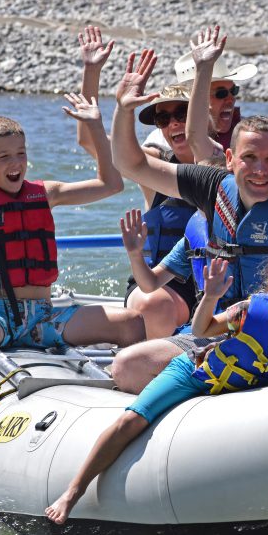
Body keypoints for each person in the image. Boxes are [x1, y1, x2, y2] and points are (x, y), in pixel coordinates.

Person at [107, 49, 268, 394]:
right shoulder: (210, 186)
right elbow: (132, 165)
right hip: (222, 333)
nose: (259, 170)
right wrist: (123, 109)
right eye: (249, 157)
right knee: (127, 367)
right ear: (230, 158)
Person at [45, 244, 268, 525]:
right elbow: (201, 330)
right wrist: (210, 297)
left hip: (235, 395)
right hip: (194, 375)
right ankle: (74, 491)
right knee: (131, 421)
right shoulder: (248, 311)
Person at [0, 94, 146, 436]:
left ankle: (138, 413)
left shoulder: (46, 193)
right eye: (4, 157)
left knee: (131, 323)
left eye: (21, 154)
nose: (16, 163)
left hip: (45, 314)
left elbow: (111, 184)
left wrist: (94, 125)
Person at [74, 26, 209, 338]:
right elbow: (87, 140)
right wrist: (92, 71)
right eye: (163, 119)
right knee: (155, 304)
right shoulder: (155, 169)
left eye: (182, 114)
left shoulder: (229, 167)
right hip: (158, 284)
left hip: (215, 286)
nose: (173, 123)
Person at [175, 26, 256, 157]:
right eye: (221, 93)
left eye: (233, 91)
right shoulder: (171, 135)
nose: (231, 99)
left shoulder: (249, 133)